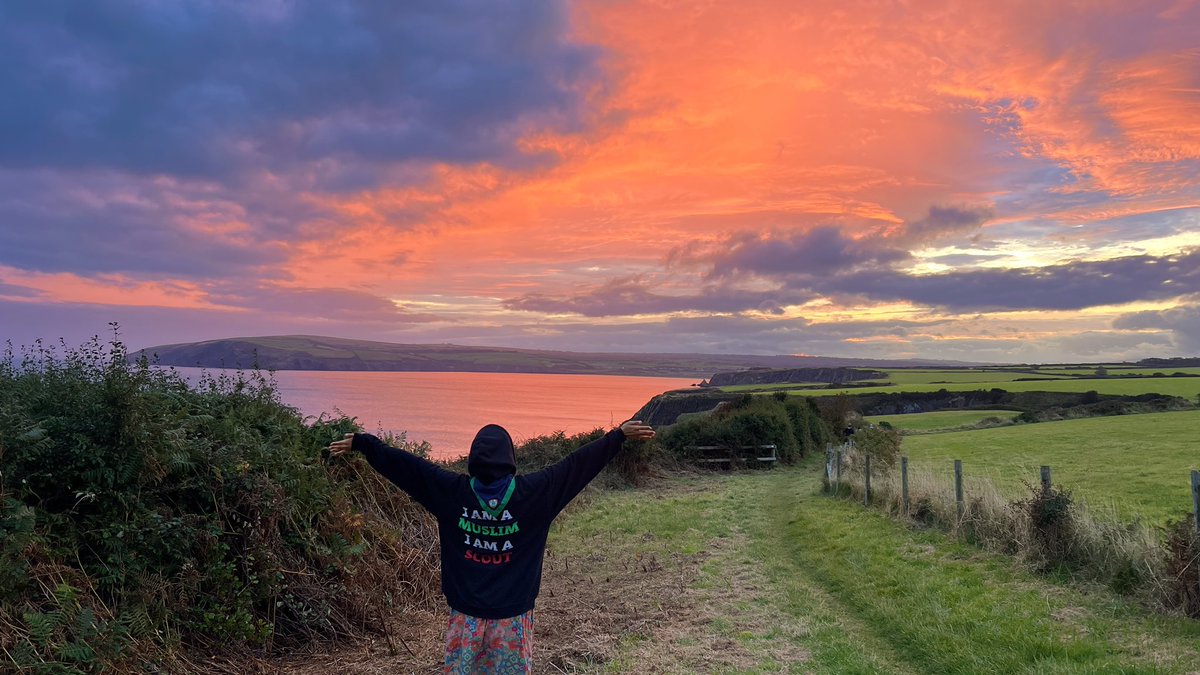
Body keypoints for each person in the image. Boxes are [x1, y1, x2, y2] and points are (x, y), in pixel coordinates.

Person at [328, 419, 655, 674]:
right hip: (512, 619)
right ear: (510, 458)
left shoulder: (451, 492)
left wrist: (364, 444)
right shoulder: (535, 493)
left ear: (473, 458)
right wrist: (617, 437)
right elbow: (575, 466)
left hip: (465, 617)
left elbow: (409, 468)